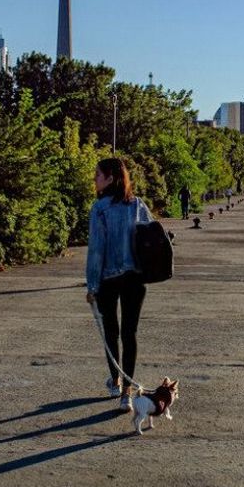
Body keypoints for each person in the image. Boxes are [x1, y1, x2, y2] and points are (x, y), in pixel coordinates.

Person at [86, 158, 154, 412]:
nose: (95, 179)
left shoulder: (100, 208)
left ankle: (115, 381)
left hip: (108, 279)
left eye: (98, 174)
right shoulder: (137, 204)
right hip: (135, 279)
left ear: (111, 178)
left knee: (111, 333)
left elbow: (96, 251)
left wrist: (92, 285)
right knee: (130, 334)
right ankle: (127, 391)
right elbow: (151, 237)